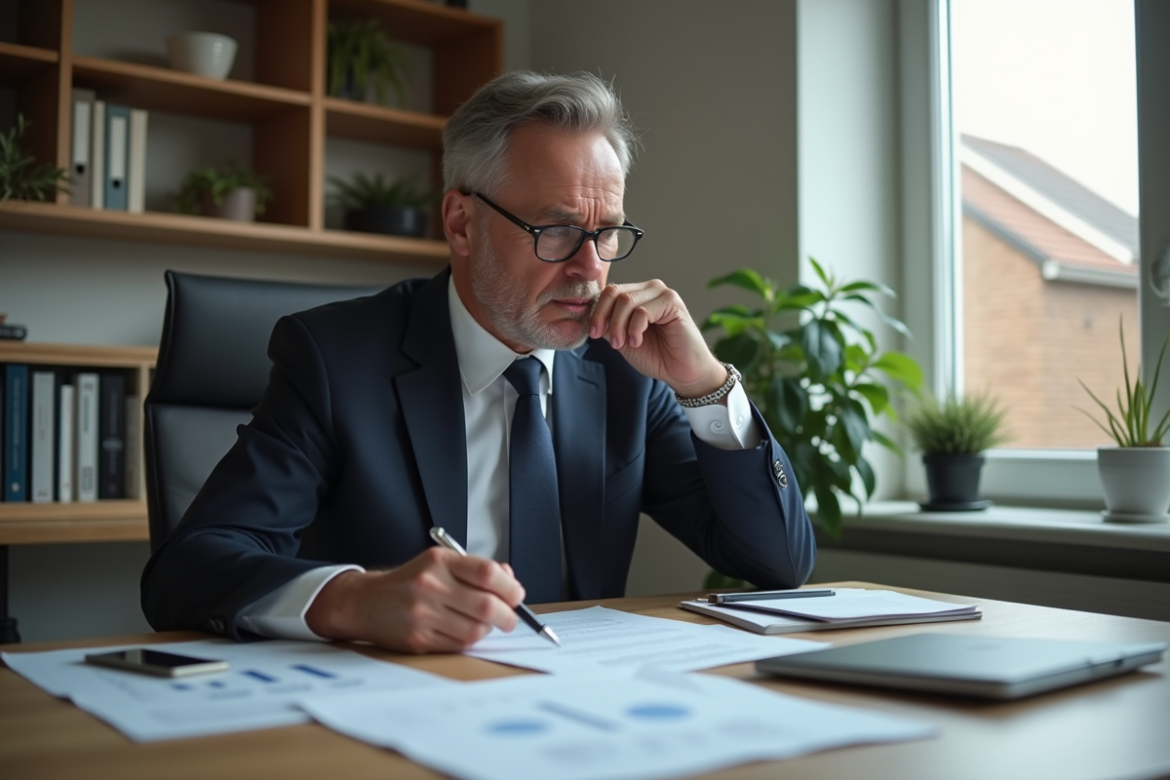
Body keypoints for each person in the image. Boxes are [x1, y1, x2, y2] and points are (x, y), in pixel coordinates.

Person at [141, 71, 815, 654]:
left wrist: (704, 387)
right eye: (556, 231)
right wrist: (353, 600)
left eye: (607, 232)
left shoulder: (624, 371)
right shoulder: (334, 361)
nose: (590, 269)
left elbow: (779, 562)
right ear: (461, 223)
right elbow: (187, 571)